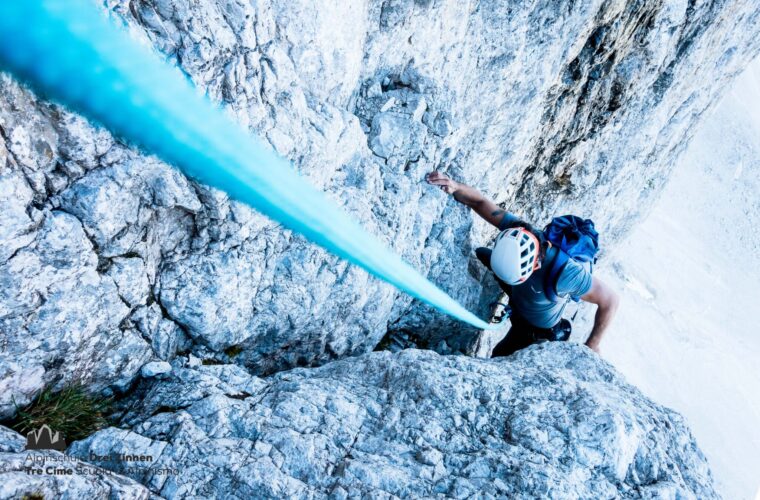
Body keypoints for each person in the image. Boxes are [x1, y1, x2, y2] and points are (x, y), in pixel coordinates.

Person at [425, 170, 619, 355]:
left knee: (500, 354)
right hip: (520, 295)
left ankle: (556, 331)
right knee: (482, 254)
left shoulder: (565, 272)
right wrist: (455, 186)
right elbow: (480, 201)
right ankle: (510, 286)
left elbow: (611, 300)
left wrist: (592, 344)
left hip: (533, 329)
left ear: (535, 265)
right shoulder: (521, 231)